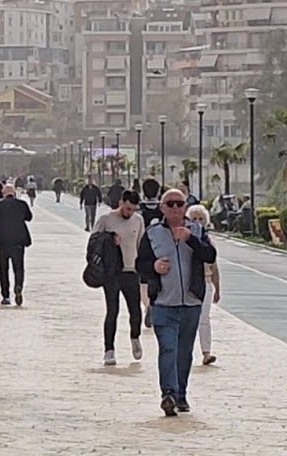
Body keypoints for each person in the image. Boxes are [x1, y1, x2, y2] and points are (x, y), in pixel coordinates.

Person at [137, 189, 217, 416]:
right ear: (162, 207)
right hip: (163, 302)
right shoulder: (152, 233)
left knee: (184, 353)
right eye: (169, 204)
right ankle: (168, 394)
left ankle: (181, 394)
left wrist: (190, 239)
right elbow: (140, 264)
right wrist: (154, 267)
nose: (174, 208)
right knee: (168, 349)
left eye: (179, 204)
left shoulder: (197, 230)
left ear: (185, 206)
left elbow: (210, 255)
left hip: (191, 302)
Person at [92, 190, 146, 366]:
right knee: (112, 311)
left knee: (135, 311)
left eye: (133, 210)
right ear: (121, 202)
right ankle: (109, 350)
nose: (129, 212)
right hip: (112, 272)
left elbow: (140, 244)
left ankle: (135, 337)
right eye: (127, 208)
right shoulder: (106, 219)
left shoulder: (138, 220)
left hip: (131, 271)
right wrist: (109, 239)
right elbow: (93, 242)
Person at [0, 184, 33, 306]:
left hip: (2, 242)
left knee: (3, 269)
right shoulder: (22, 204)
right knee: (18, 268)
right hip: (18, 241)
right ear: (14, 193)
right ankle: (18, 287)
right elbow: (29, 217)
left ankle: (6, 296)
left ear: (3, 193)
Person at [186, 205, 221, 365]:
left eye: (200, 219)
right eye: (194, 219)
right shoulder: (183, 239)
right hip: (187, 283)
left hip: (205, 283)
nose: (197, 222)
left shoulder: (208, 241)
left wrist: (217, 289)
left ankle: (206, 352)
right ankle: (185, 352)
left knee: (204, 318)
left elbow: (214, 266)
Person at [137, 177, 164, 327]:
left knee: (143, 281)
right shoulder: (163, 209)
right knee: (158, 280)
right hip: (160, 249)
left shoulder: (139, 208)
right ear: (158, 191)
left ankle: (147, 305)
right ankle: (153, 305)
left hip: (142, 248)